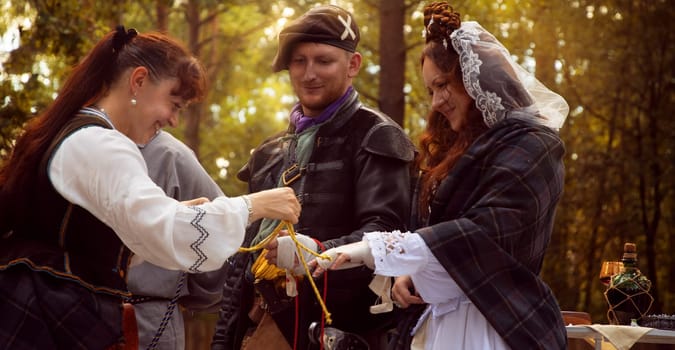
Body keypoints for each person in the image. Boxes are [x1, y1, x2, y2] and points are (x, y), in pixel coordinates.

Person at [0, 26, 300, 349]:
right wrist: (254, 205)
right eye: (174, 103)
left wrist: (179, 214)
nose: (173, 120)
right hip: (49, 315)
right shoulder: (100, 144)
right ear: (139, 81)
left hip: (46, 307)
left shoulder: (82, 134)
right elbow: (163, 227)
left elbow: (116, 233)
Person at [310, 2, 570, 349]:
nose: (436, 102)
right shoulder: (451, 155)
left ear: (475, 79)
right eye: (431, 90)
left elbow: (491, 231)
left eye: (443, 84)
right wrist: (409, 272)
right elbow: (431, 235)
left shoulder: (535, 144)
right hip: (436, 324)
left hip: (497, 326)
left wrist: (378, 249)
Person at [211, 4, 415, 350]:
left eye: (323, 61)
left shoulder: (376, 136)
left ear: (353, 65)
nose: (309, 74)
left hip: (330, 329)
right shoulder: (268, 153)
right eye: (299, 61)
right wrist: (221, 339)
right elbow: (242, 262)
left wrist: (316, 252)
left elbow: (385, 236)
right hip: (255, 319)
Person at [128, 130, 227, 350]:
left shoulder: (171, 154)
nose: (172, 119)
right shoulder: (171, 154)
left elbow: (220, 247)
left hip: (148, 325)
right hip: (75, 318)